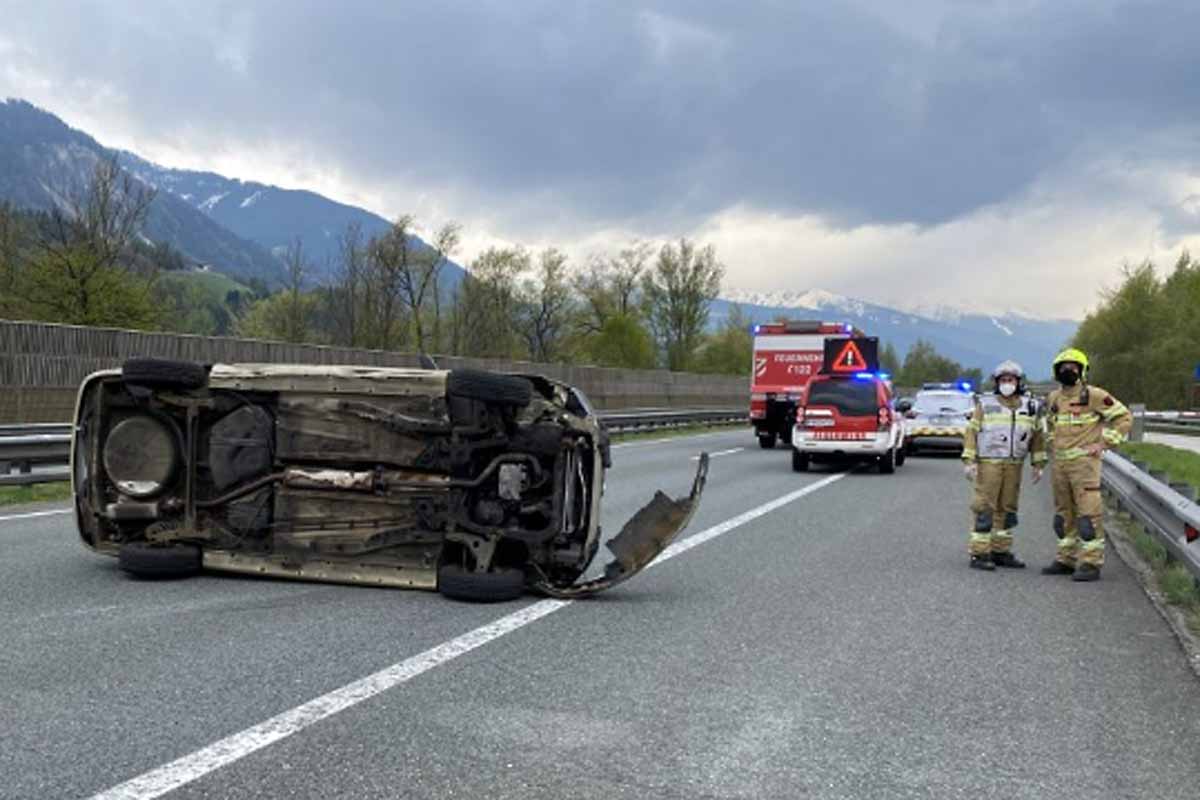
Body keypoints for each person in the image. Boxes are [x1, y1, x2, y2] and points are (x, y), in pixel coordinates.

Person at [1041, 348, 1132, 581]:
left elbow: (1124, 418)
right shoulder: (1053, 399)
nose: (1067, 371)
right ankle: (1066, 559)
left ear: (1082, 371)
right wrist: (1051, 444)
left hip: (1085, 467)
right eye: (1063, 367)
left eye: (1073, 367)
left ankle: (1091, 563)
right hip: (1060, 466)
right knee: (1063, 515)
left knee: (1088, 515)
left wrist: (1104, 443)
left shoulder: (1095, 396)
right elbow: (1050, 426)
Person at [962, 360, 1047, 570]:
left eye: (1010, 380)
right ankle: (980, 554)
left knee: (1007, 508)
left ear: (1018, 382)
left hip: (1014, 464)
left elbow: (1037, 437)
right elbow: (972, 432)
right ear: (996, 382)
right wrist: (969, 461)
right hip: (990, 463)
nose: (1006, 383)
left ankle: (1000, 550)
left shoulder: (1030, 407)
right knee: (985, 507)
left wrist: (1038, 464)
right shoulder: (986, 405)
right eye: (1003, 380)